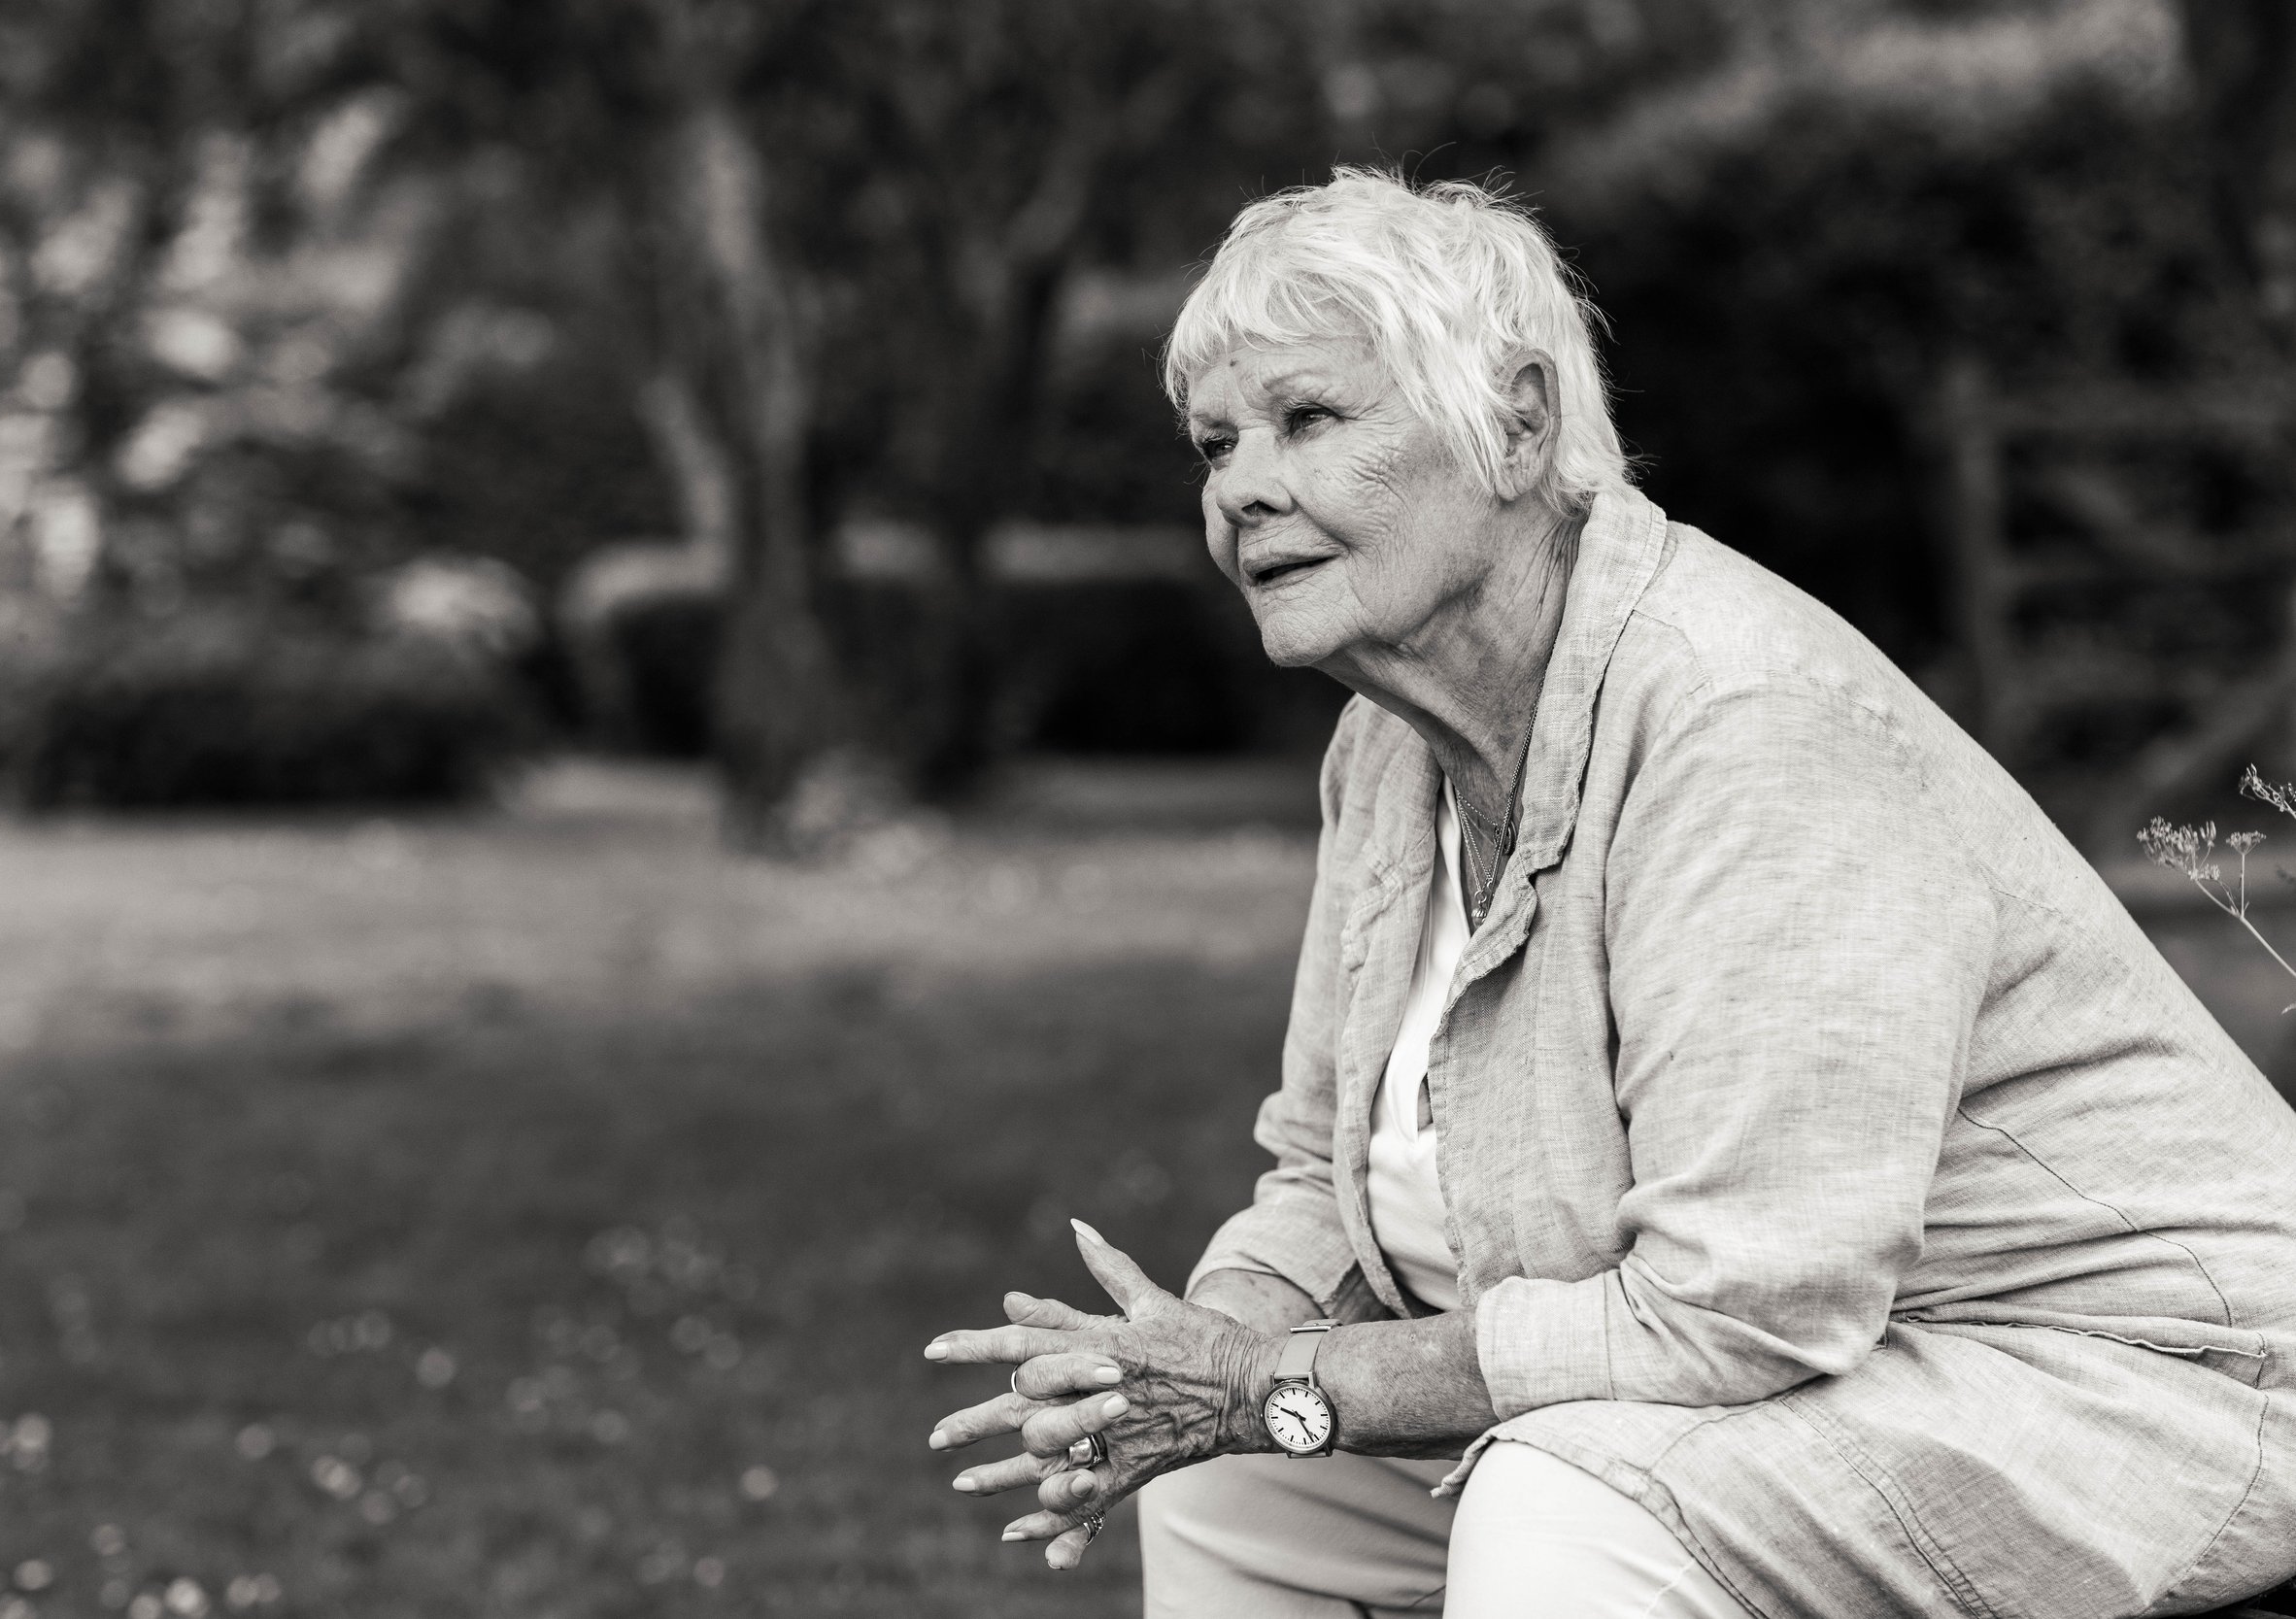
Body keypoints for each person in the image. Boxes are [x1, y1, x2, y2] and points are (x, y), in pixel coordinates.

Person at [922, 168, 2296, 1617]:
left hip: (2141, 1385)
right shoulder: (1387, 752)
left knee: (1575, 1498)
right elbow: (1322, 1175)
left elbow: (1746, 1303)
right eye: (1216, 445)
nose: (1241, 485)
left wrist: (1281, 1380)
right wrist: (1185, 1366)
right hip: (1841, 1372)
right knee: (1238, 1475)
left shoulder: (1744, 723)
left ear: (1517, 423)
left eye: (1309, 420)